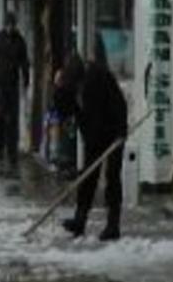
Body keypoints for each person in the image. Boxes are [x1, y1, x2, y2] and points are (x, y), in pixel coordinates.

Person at [55, 53, 128, 241]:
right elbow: (63, 111)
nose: (76, 90)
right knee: (87, 177)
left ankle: (113, 225)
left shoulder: (99, 76)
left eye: (77, 86)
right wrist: (59, 88)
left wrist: (121, 132)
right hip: (92, 135)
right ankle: (80, 220)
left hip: (113, 133)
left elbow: (119, 104)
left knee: (112, 177)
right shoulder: (69, 84)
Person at [0, 12, 30, 169]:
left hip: (13, 83)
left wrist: (26, 79)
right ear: (4, 25)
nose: (10, 28)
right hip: (0, 84)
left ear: (15, 25)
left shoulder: (20, 40)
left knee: (13, 119)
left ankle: (12, 151)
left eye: (12, 25)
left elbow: (24, 61)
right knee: (1, 117)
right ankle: (0, 147)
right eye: (8, 25)